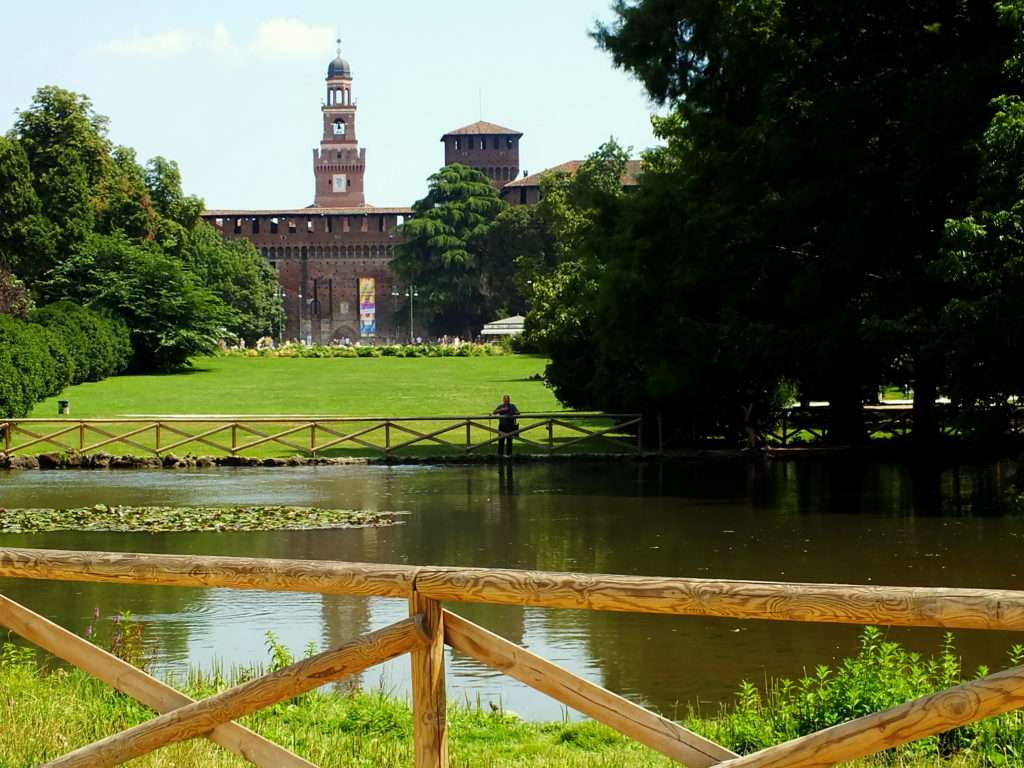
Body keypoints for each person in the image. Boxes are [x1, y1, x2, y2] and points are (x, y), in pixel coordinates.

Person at [492, 394, 520, 458]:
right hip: (502, 425)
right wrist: (502, 410)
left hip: (510, 426)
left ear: (509, 400)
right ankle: (500, 454)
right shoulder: (500, 406)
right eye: (505, 400)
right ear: (503, 400)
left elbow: (518, 413)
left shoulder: (512, 406)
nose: (506, 401)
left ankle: (509, 455)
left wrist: (513, 412)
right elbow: (494, 412)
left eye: (507, 400)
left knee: (509, 441)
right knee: (501, 440)